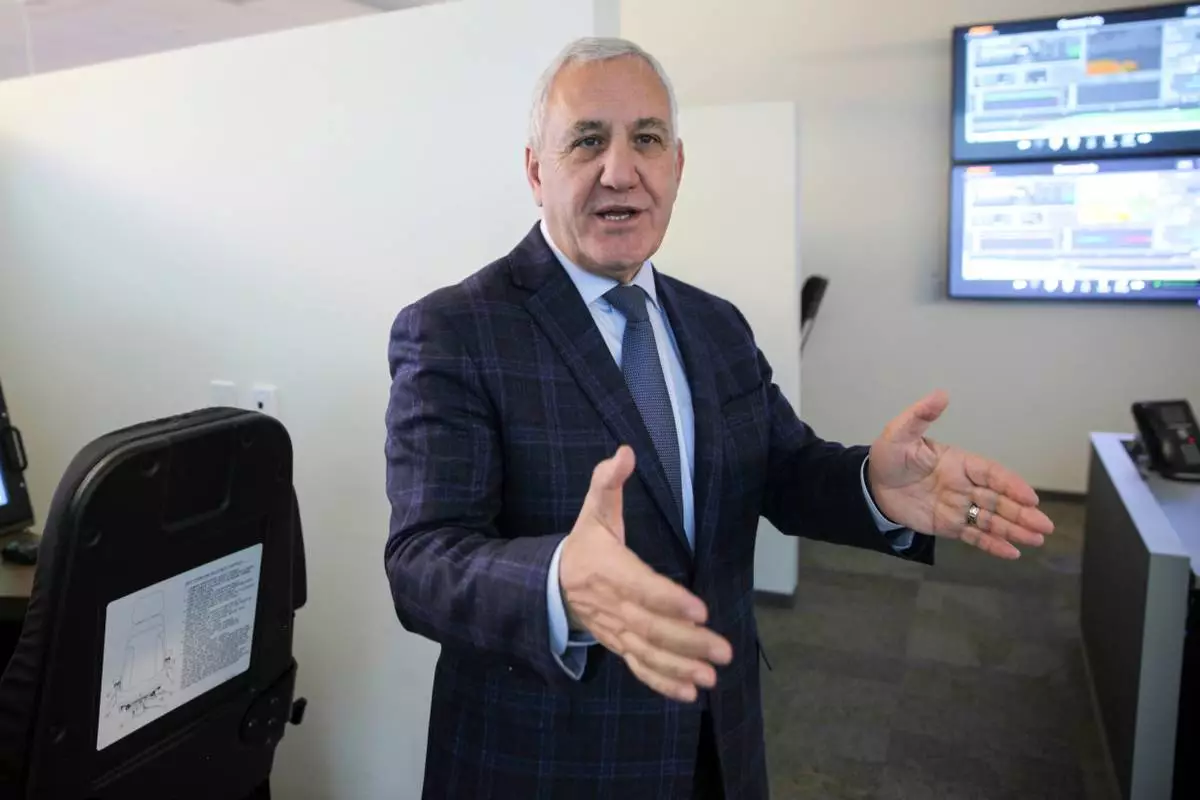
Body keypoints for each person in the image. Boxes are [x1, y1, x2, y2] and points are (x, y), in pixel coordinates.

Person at [384, 36, 1055, 800]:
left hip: (720, 741)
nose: (620, 170)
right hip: (549, 760)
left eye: (647, 139)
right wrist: (559, 583)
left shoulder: (716, 324)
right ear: (537, 170)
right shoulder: (455, 330)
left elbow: (783, 470)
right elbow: (422, 561)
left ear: (677, 165)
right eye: (588, 140)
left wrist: (874, 484)